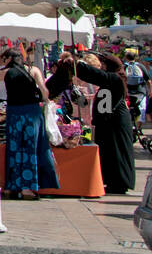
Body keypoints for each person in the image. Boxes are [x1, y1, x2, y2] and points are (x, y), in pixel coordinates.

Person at [0, 45, 56, 199]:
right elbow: (44, 91)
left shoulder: (5, 73)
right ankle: (29, 187)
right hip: (32, 112)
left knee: (15, 148)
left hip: (15, 113)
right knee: (32, 148)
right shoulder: (34, 70)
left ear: (10, 59)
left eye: (5, 59)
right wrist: (46, 102)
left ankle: (14, 185)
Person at [49, 53, 135, 195]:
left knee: (117, 152)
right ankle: (112, 181)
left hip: (115, 123)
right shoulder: (112, 80)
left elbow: (94, 75)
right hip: (108, 121)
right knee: (110, 153)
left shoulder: (114, 79)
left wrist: (77, 65)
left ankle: (119, 183)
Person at [123, 48, 151, 134]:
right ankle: (138, 128)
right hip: (140, 92)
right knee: (141, 109)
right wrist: (149, 91)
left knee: (126, 109)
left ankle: (128, 127)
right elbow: (148, 80)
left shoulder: (124, 66)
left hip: (128, 92)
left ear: (126, 57)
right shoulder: (141, 66)